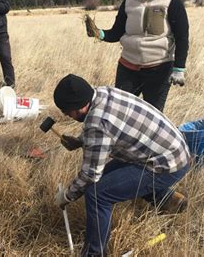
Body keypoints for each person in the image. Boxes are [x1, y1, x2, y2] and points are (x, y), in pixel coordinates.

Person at [53, 74, 190, 257]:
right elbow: (111, 131)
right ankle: (168, 200)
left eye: (66, 111)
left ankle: (94, 253)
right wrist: (81, 141)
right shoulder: (103, 93)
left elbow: (90, 174)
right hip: (172, 151)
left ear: (79, 106)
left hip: (167, 165)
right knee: (111, 181)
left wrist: (67, 196)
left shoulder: (97, 123)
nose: (66, 115)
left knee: (97, 193)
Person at [88, 0, 189, 112]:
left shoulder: (171, 1)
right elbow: (116, 32)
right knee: (121, 112)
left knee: (152, 116)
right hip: (128, 68)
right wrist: (99, 33)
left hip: (159, 69)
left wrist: (179, 68)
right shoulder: (129, 0)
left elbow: (182, 37)